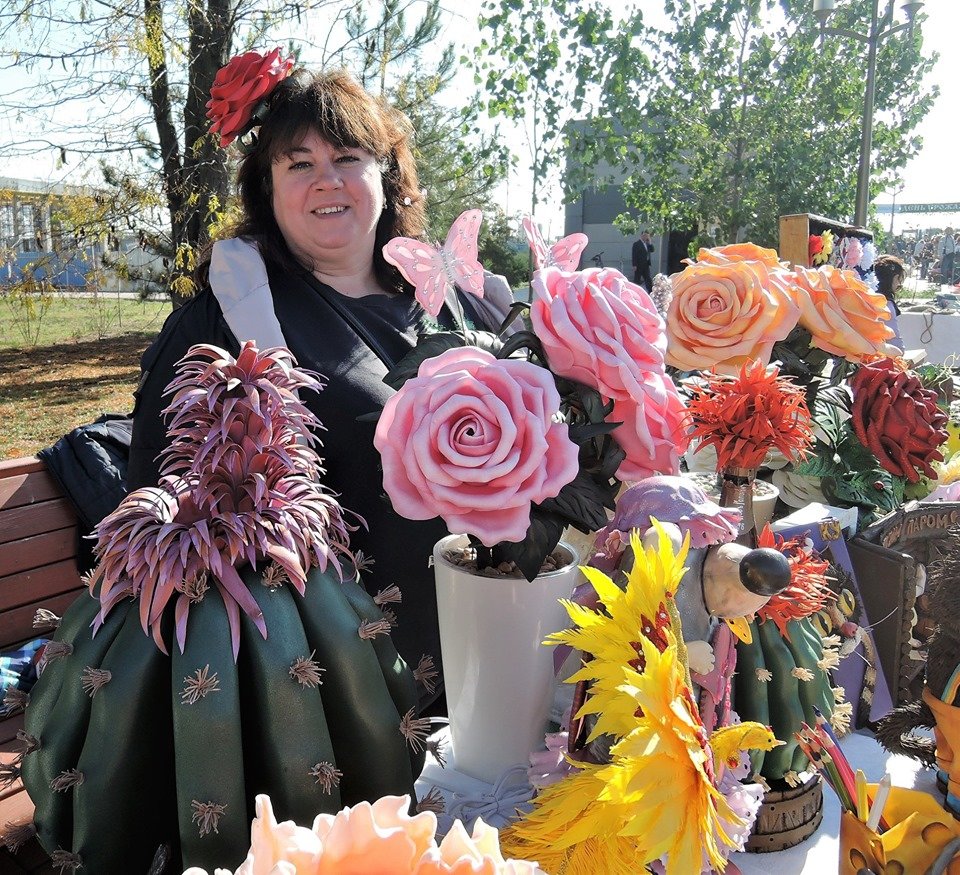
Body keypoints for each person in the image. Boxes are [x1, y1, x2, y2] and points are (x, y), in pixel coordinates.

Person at [128, 64, 511, 712]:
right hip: (330, 692)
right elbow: (160, 500)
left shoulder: (448, 300)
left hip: (489, 650)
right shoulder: (226, 320)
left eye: (347, 158)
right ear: (268, 187)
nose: (326, 180)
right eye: (299, 164)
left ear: (386, 175)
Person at [874, 253, 906, 352]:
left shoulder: (867, 297)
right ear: (895, 278)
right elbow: (896, 344)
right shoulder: (886, 304)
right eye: (899, 280)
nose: (898, 284)